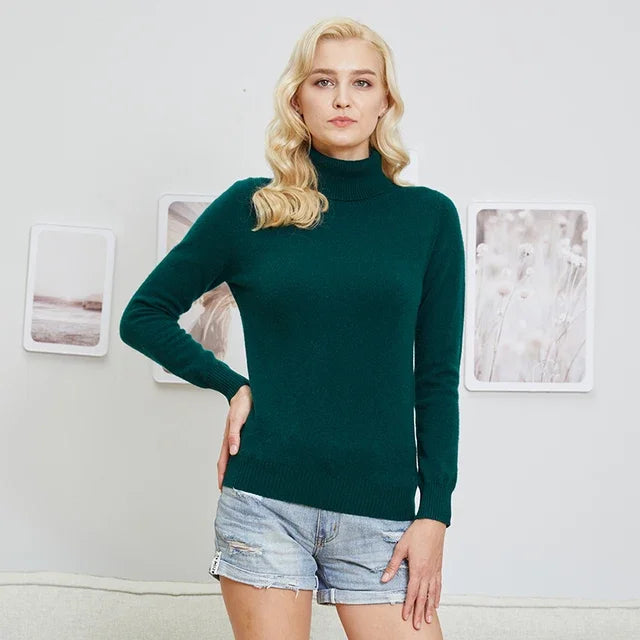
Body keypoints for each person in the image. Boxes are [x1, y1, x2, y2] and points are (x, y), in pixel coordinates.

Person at [119, 16, 465, 640]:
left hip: (383, 512)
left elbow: (436, 379)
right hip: (264, 503)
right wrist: (233, 385)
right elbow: (143, 314)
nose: (342, 98)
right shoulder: (252, 206)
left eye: (362, 82)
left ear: (385, 100)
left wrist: (435, 512)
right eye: (323, 81)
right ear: (297, 99)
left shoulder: (429, 218)